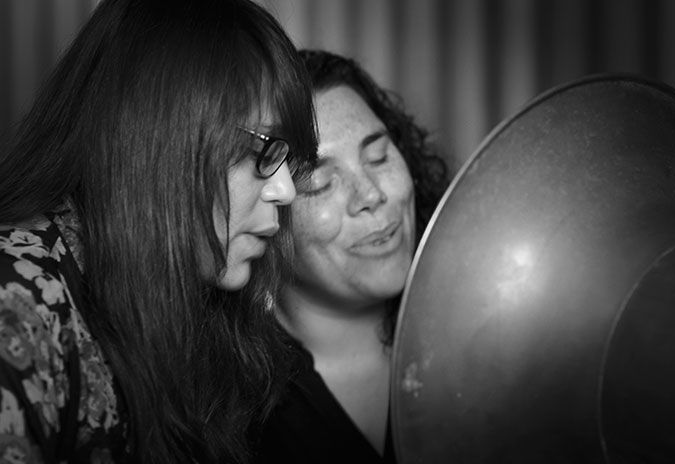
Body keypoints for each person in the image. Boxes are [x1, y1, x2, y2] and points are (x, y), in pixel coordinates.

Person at [0, 0, 317, 462]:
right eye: (260, 152)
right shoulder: (18, 302)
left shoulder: (201, 305)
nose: (286, 191)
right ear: (157, 138)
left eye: (289, 160)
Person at [255, 50, 449, 463]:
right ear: (267, 208)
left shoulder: (478, 332)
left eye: (379, 157)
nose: (371, 195)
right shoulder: (230, 404)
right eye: (321, 182)